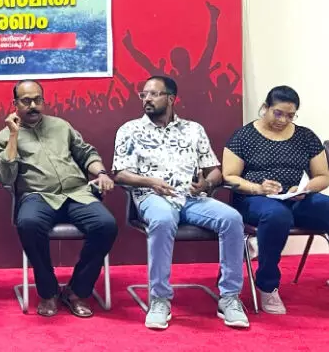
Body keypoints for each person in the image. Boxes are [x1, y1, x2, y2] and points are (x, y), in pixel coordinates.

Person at [112, 76, 248, 329]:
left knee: (232, 219)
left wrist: (206, 184)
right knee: (163, 219)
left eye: (154, 94)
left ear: (171, 99)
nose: (147, 99)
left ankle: (229, 297)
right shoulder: (129, 130)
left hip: (192, 199)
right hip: (153, 197)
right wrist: (150, 182)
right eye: (144, 94)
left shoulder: (194, 130)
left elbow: (214, 170)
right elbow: (120, 174)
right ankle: (160, 299)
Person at [0, 80, 117, 318]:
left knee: (106, 225)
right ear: (15, 103)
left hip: (76, 192)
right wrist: (13, 136)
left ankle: (76, 291)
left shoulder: (61, 126)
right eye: (26, 101)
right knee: (28, 224)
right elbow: (5, 177)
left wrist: (101, 173)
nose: (33, 105)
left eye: (37, 100)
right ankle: (48, 292)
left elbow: (86, 153)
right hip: (37, 195)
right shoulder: (5, 135)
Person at [223, 85, 329, 314]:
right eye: (278, 113)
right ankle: (267, 284)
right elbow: (229, 176)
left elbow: (323, 175)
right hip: (254, 200)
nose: (283, 120)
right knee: (277, 216)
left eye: (290, 115)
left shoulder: (305, 136)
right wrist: (258, 188)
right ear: (265, 107)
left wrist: (306, 188)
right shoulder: (244, 136)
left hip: (297, 198)